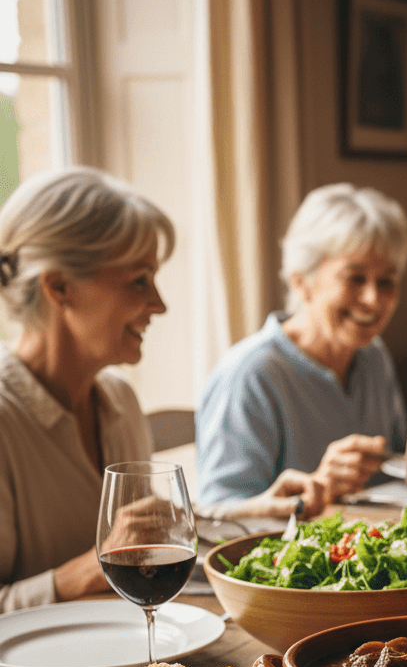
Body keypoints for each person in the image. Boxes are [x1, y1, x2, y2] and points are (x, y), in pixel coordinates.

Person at [0, 168, 325, 614]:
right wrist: (91, 570)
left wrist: (256, 510)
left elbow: (145, 541)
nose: (159, 303)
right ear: (59, 287)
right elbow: (114, 556)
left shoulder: (118, 401)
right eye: (139, 280)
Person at [196, 183, 407, 505]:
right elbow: (218, 517)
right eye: (354, 278)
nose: (373, 300)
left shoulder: (374, 355)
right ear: (302, 281)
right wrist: (316, 488)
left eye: (386, 282)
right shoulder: (249, 375)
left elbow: (399, 465)